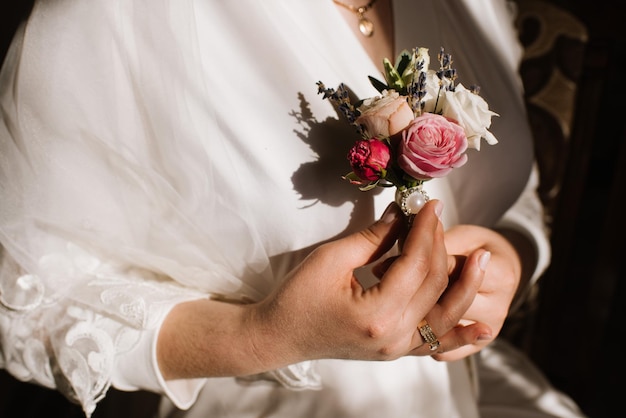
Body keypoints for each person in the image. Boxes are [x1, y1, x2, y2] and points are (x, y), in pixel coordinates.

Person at [0, 0, 586, 417]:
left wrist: (506, 256)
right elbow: (23, 298)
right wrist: (263, 336)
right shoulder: (114, 16)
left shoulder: (477, 8)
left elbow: (516, 192)